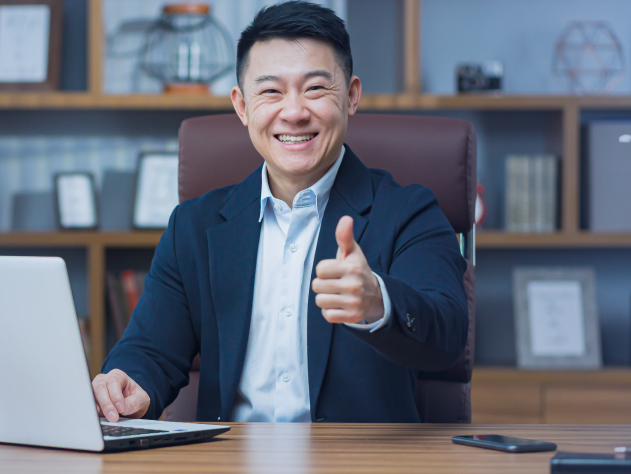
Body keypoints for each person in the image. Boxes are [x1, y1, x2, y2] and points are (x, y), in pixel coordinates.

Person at [94, 1, 468, 423]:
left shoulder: (408, 211)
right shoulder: (194, 227)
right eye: (271, 91)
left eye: (315, 89)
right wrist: (128, 383)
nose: (293, 113)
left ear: (351, 96)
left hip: (359, 463)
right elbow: (150, 349)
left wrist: (378, 302)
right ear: (241, 106)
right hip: (228, 461)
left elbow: (448, 332)